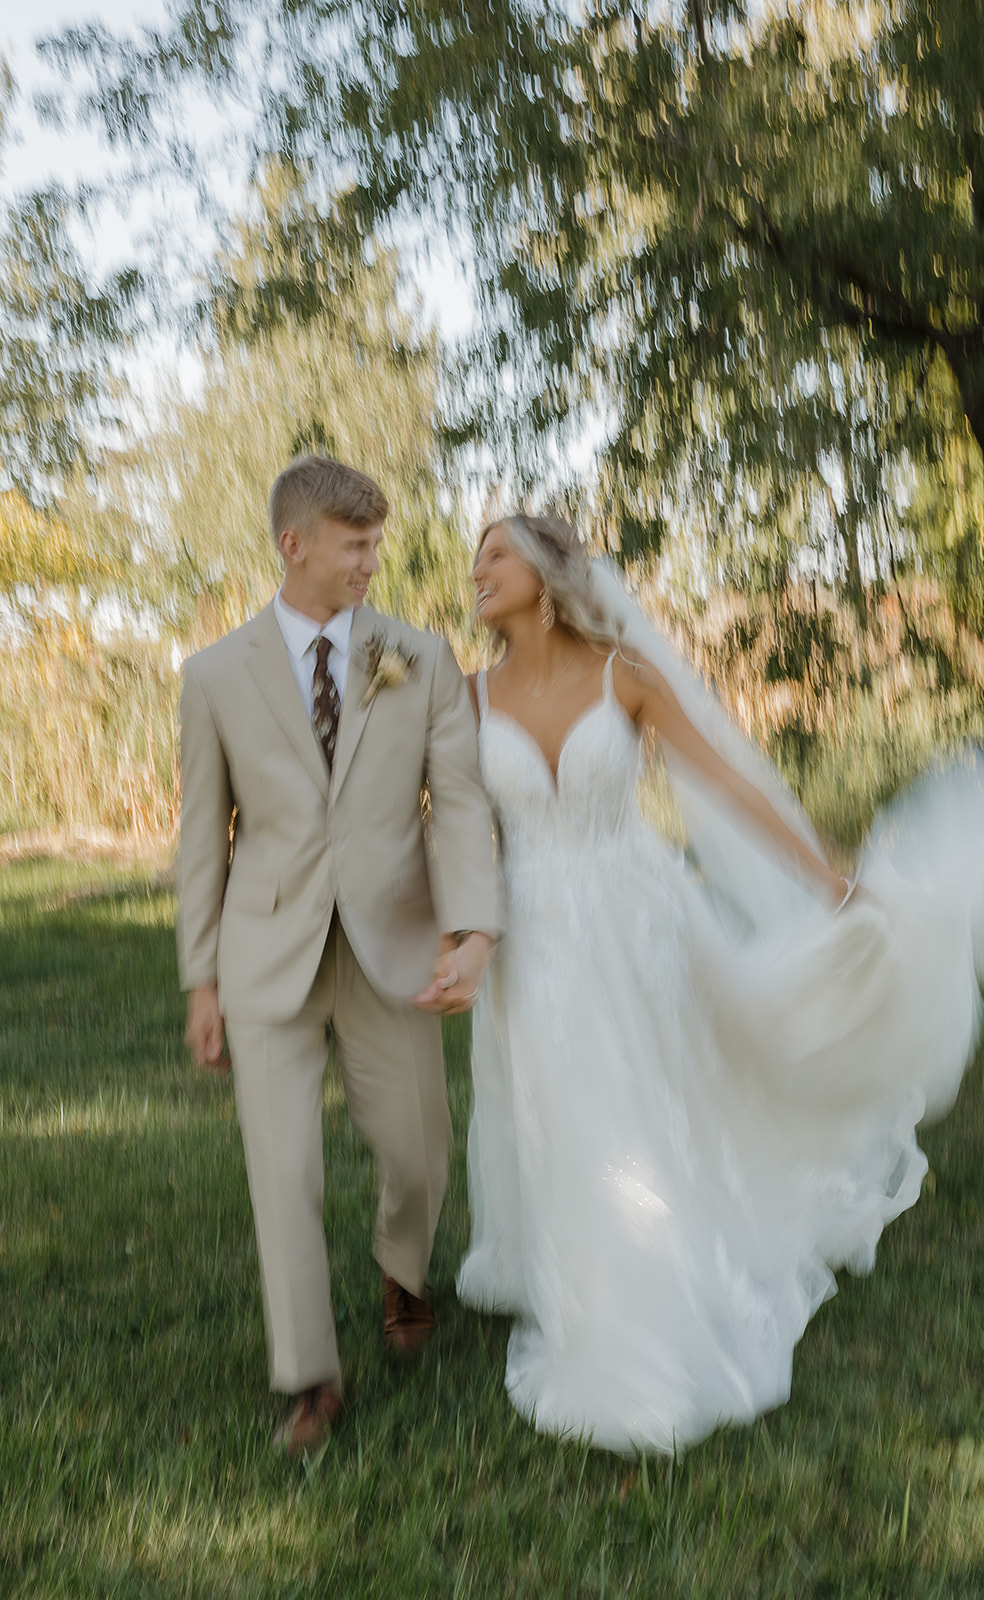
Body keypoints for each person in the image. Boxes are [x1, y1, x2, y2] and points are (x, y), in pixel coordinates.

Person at [451, 512, 984, 1455]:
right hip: (534, 943)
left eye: (495, 552)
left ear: (548, 570)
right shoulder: (466, 697)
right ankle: (588, 1281)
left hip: (639, 921)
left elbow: (724, 782)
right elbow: (446, 824)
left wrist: (823, 875)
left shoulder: (626, 678)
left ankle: (654, 1301)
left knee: (642, 1102)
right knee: (564, 1110)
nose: (476, 568)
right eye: (474, 557)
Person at [177, 455, 504, 1457]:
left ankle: (402, 1267)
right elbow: (200, 835)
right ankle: (310, 1378)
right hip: (265, 947)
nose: (373, 560)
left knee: (415, 1146)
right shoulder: (214, 676)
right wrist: (201, 978)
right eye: (355, 544)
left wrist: (472, 927)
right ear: (296, 545)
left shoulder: (420, 656)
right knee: (283, 1171)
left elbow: (456, 801)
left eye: (375, 543)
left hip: (392, 942)